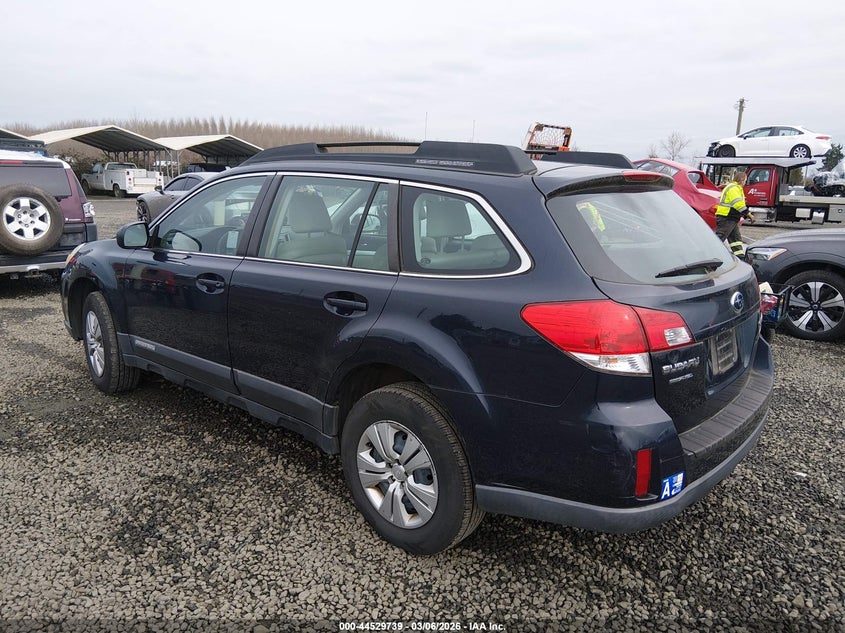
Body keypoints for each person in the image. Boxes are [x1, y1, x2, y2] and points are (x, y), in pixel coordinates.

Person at [714, 170, 751, 257]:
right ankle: (710, 254)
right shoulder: (734, 188)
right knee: (720, 238)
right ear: (741, 179)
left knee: (736, 240)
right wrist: (749, 214)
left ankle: (740, 257)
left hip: (731, 218)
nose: (745, 182)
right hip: (727, 217)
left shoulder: (735, 187)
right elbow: (738, 204)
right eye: (745, 180)